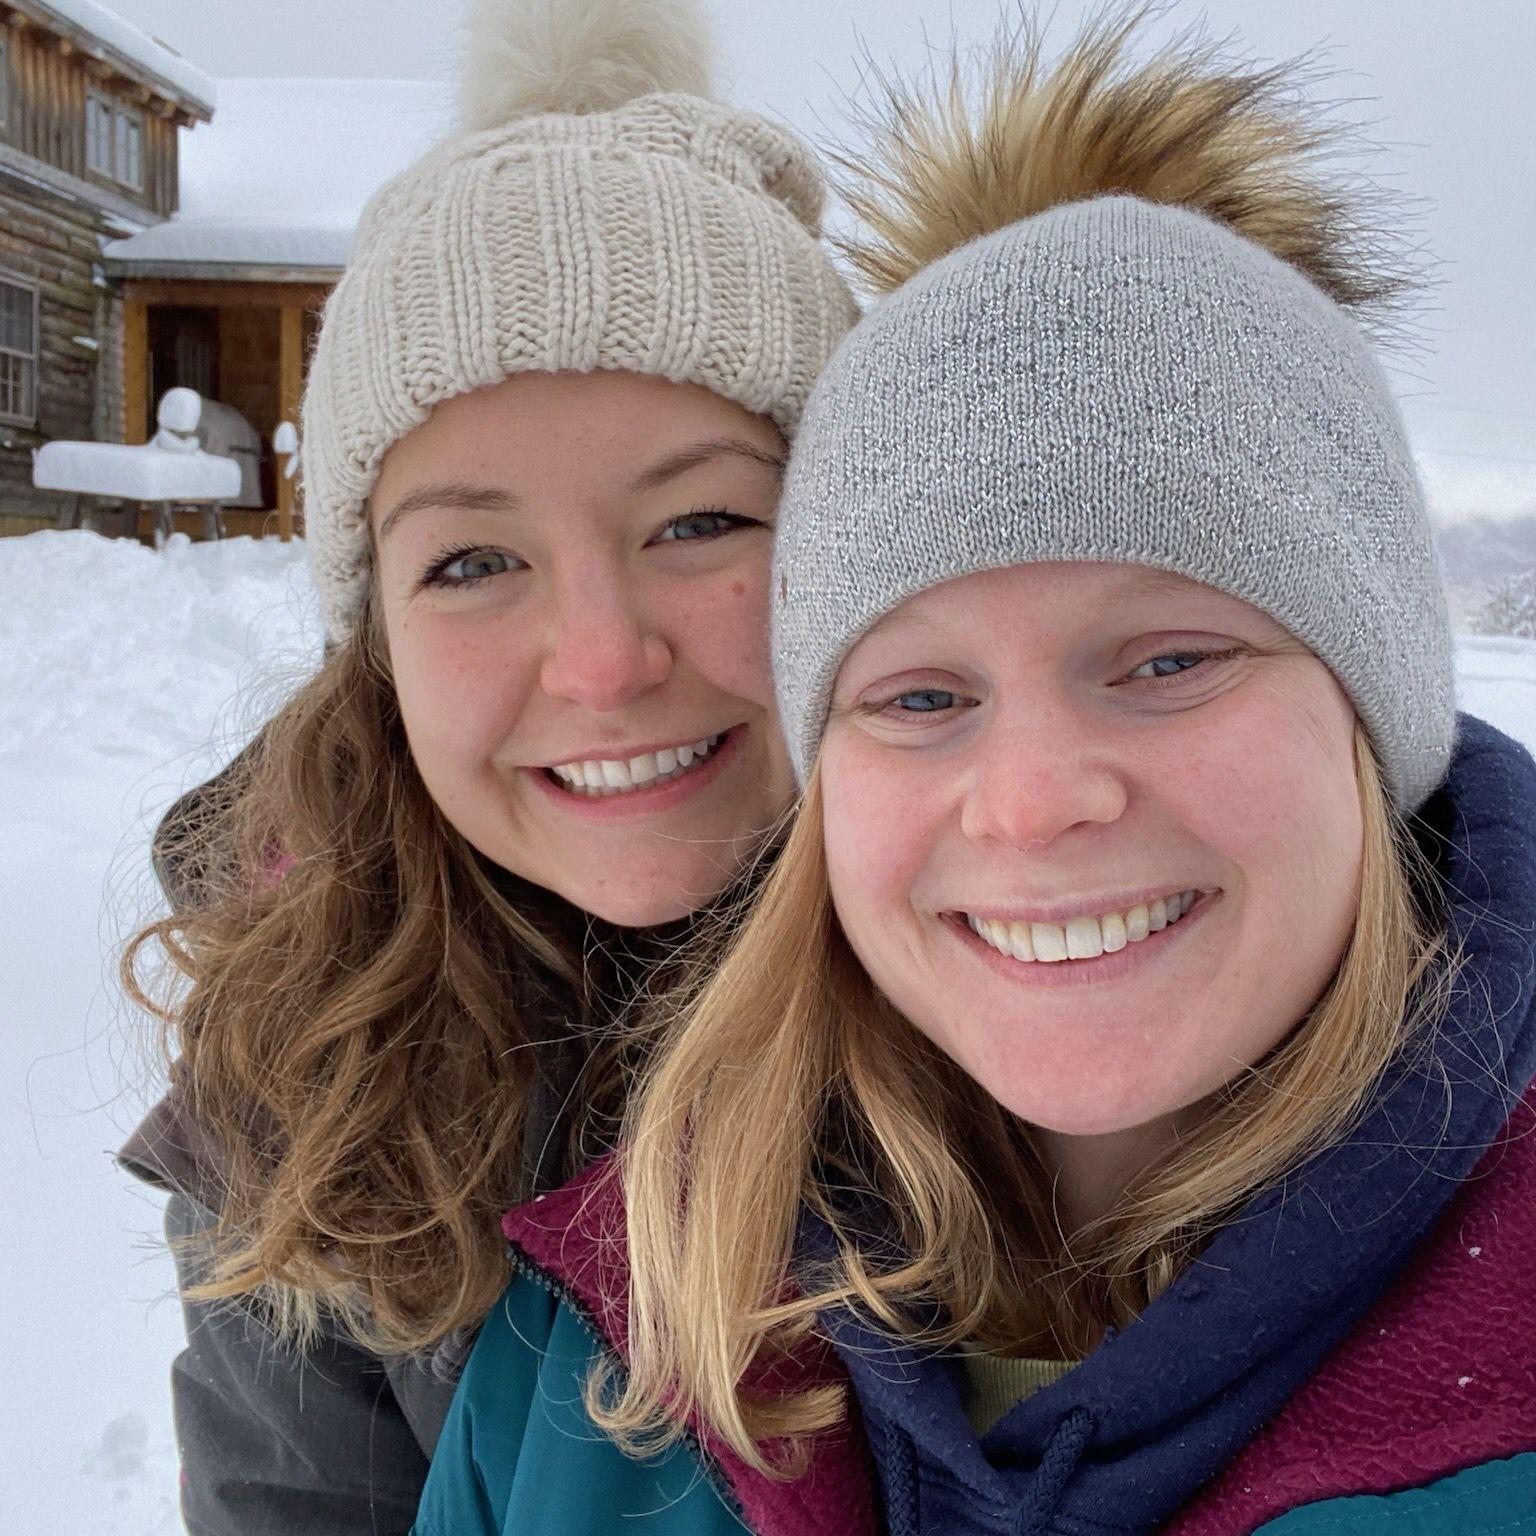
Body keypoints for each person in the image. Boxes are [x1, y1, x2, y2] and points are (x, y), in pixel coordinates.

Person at [413, 15, 1536, 1536]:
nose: (1029, 800)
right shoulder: (607, 1350)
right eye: (920, 695)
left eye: (1169, 661)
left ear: (1372, 714)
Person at [116, 0, 856, 1530]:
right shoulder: (306, 1062)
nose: (600, 663)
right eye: (471, 562)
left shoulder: (1064, 954)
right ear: (377, 639)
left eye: (702, 522)